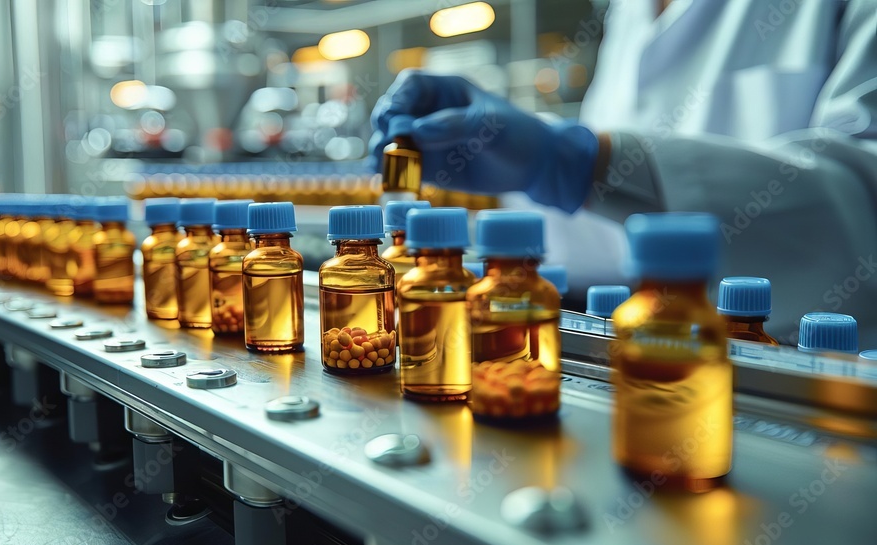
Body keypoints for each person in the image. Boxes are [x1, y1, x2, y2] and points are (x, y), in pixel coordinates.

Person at [369, 0, 877, 349]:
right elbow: (610, 222)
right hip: (647, 342)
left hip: (810, 370)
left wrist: (578, 162)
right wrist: (527, 185)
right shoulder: (626, 10)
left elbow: (862, 205)